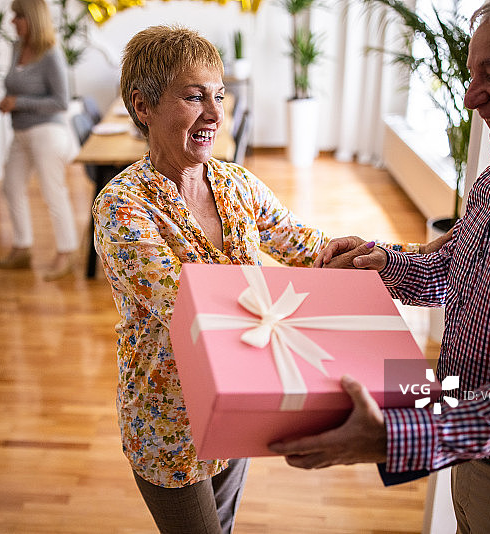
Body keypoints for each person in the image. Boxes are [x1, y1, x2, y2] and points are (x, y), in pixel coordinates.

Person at [270, 0, 490, 532]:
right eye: (472, 77)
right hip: (473, 442)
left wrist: (394, 438)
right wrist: (381, 264)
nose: (472, 98)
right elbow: (455, 271)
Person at [92, 25, 331, 533]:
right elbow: (191, 307)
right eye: (193, 96)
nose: (215, 115)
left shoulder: (235, 182)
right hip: (167, 419)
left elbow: (308, 247)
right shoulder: (121, 205)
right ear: (143, 105)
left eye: (218, 96)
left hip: (235, 403)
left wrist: (398, 256)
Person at [0, 0, 78, 281]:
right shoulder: (17, 48)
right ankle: (22, 247)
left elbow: (61, 102)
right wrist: (11, 102)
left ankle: (66, 253)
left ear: (32, 19)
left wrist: (18, 102)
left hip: (47, 133)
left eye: (18, 16)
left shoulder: (51, 54)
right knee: (10, 187)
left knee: (52, 192)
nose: (13, 22)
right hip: (20, 133)